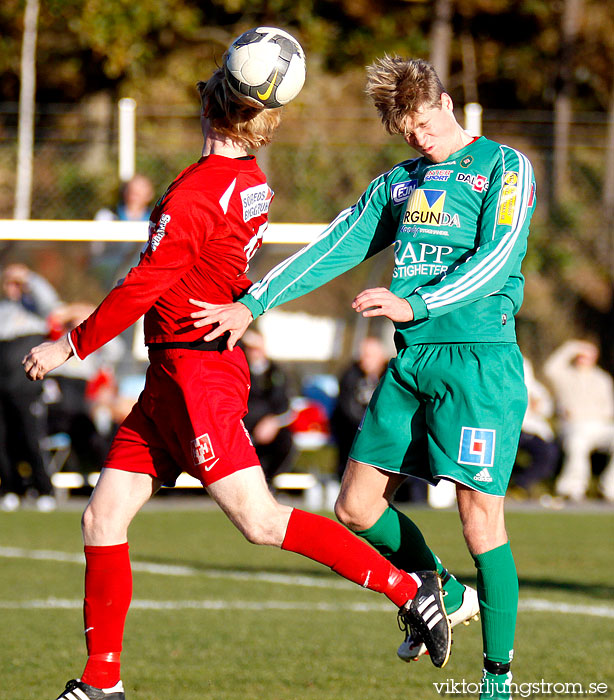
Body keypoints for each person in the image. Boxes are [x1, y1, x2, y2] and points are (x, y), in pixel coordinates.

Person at [23, 61, 450, 700]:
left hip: (198, 372)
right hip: (171, 375)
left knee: (260, 521)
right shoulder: (248, 181)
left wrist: (71, 344)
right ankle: (101, 681)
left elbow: (146, 282)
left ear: (211, 107)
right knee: (102, 518)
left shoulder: (198, 191)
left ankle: (410, 589)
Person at [189, 56, 537, 700]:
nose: (421, 139)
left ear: (449, 103)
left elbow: (498, 256)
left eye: (428, 123)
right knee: (354, 505)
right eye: (408, 131)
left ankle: (498, 681)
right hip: (412, 362)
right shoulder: (401, 184)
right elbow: (335, 244)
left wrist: (417, 303)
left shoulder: (504, 167)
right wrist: (252, 302)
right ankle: (444, 591)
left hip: (479, 362)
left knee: (480, 521)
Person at [0, 263, 59, 512]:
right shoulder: (3, 310)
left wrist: (28, 279)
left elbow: (51, 303)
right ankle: (10, 487)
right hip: (2, 381)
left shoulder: (34, 307)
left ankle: (44, 488)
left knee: (31, 435)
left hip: (26, 383)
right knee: (2, 438)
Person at [544, 339, 614, 502]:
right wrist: (572, 346)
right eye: (581, 355)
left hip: (599, 425)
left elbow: (608, 409)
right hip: (574, 426)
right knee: (577, 443)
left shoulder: (602, 379)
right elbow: (550, 367)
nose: (584, 359)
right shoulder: (565, 375)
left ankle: (610, 488)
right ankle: (572, 488)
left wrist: (587, 412)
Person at [330, 336, 389, 480]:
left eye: (369, 356)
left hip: (383, 427)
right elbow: (347, 407)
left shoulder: (390, 375)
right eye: (362, 355)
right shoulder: (350, 375)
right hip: (354, 427)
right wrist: (366, 426)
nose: (364, 360)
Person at [241, 328, 295, 483]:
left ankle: (268, 481)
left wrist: (273, 422)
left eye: (256, 348)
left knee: (285, 441)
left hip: (269, 428)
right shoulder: (238, 371)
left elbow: (286, 405)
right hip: (244, 426)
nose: (254, 353)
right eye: (249, 348)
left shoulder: (277, 373)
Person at [511, 358, 559, 497]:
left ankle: (520, 485)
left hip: (530, 430)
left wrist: (539, 406)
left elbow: (547, 408)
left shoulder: (536, 389)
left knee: (548, 453)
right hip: (509, 429)